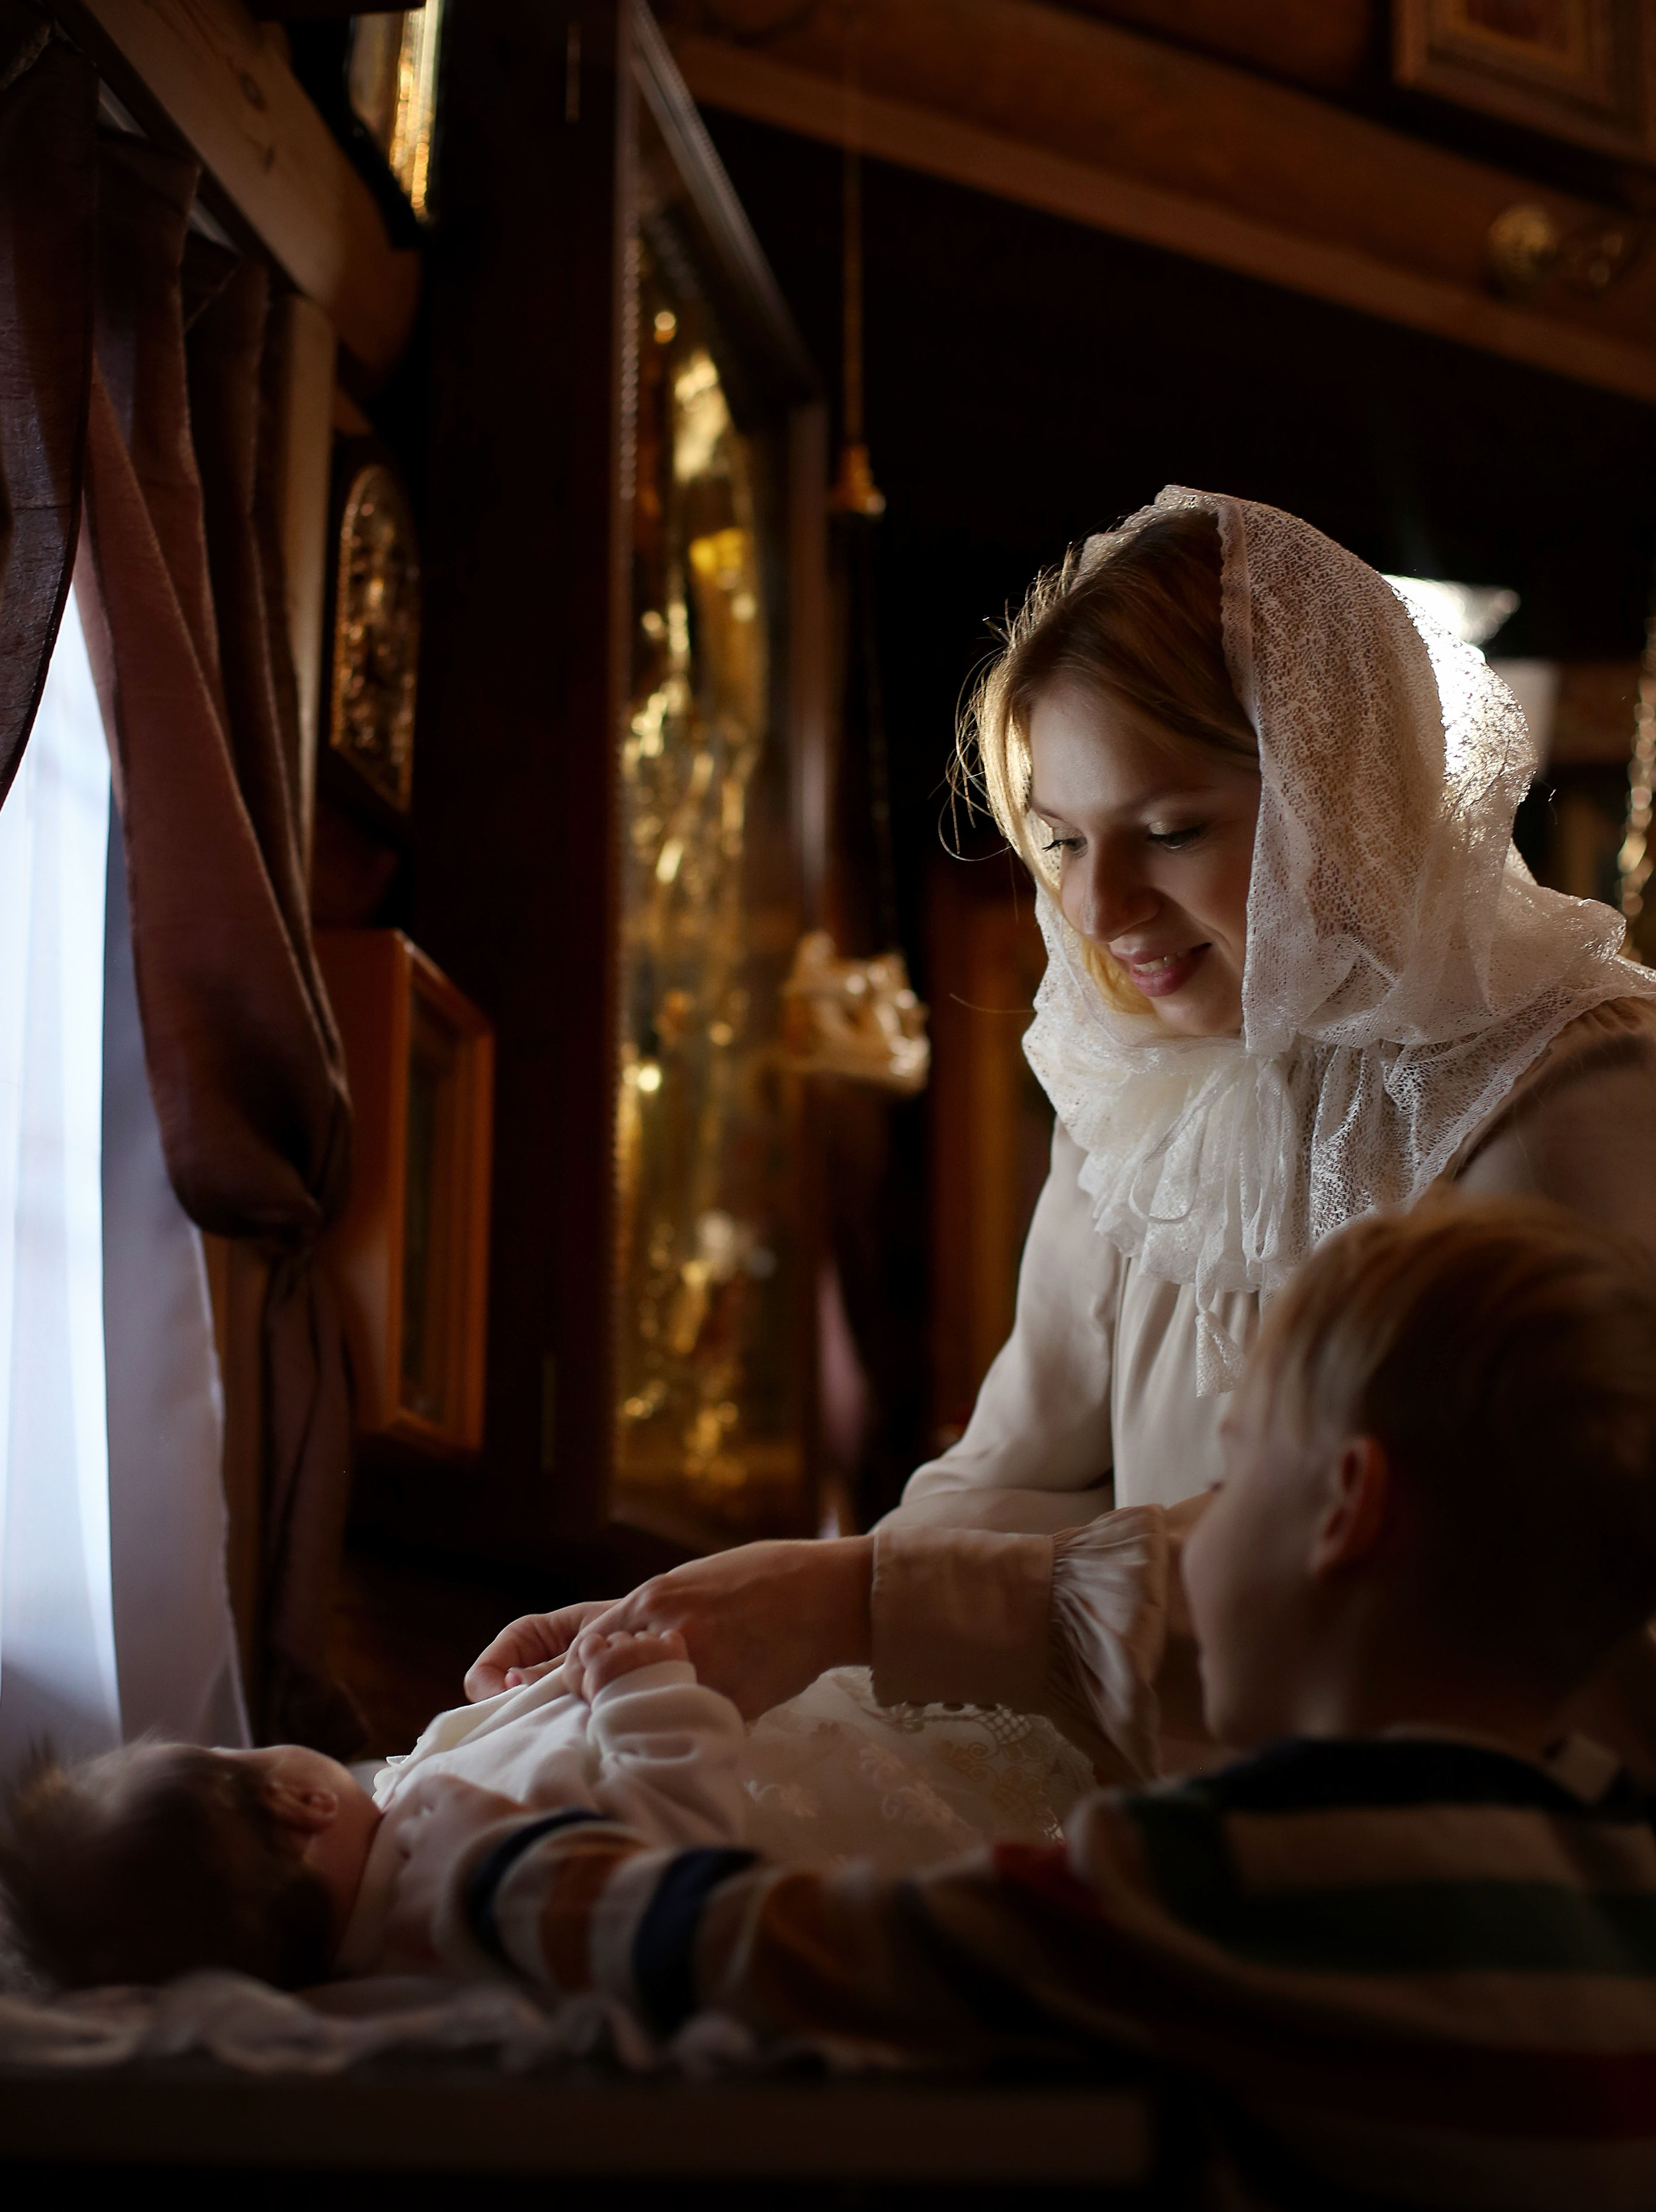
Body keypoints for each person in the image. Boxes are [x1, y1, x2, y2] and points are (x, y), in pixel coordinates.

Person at [466, 489, 1656, 1786]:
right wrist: (699, 1623)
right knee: (541, 1769)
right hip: (1169, 1780)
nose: (1098, 907)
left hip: (1463, 1824)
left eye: (1170, 831)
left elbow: (1434, 1565)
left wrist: (848, 1607)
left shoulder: (1565, 1080)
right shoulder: (1146, 1094)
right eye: (1061, 842)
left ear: (1345, 797)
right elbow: (1014, 1477)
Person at [386, 1197, 1656, 2206]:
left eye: (1231, 1474)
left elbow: (805, 1955)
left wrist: (499, 1864)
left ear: (1345, 1511)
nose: (1189, 1535)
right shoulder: (1621, 1858)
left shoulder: (1240, 1876)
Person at [0, 1595, 1094, 1988]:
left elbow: (488, 1748)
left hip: (718, 1714)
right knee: (1027, 1744)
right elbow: (670, 1847)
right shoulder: (468, 1879)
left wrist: (521, 1697)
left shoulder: (397, 1832)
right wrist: (643, 1697)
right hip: (815, 1786)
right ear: (298, 1804)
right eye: (240, 1759)